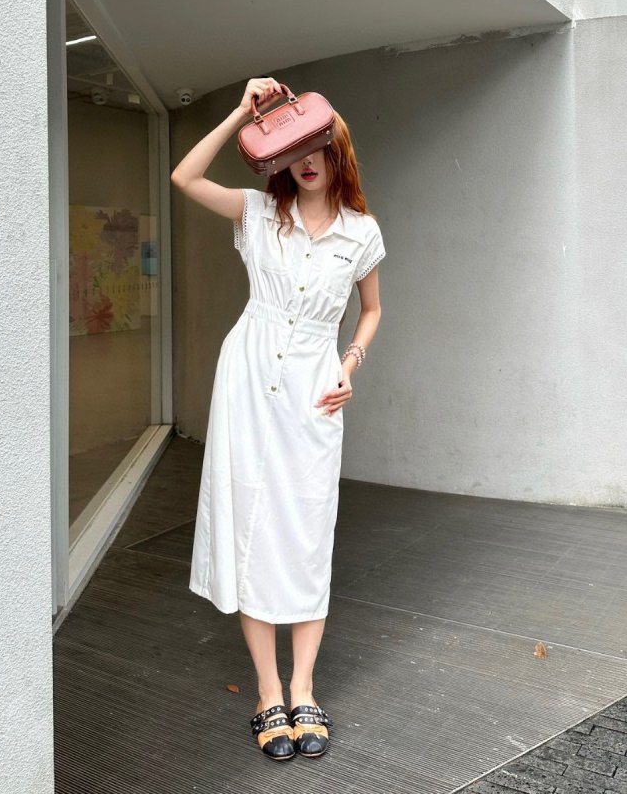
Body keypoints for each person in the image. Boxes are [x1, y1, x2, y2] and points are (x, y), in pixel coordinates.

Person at [170, 76, 386, 761]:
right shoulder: (257, 213)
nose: (305, 160)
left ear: (336, 150)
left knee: (307, 533)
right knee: (252, 532)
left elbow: (372, 309)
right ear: (278, 157)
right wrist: (241, 112)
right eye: (292, 149)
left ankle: (304, 687)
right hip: (247, 380)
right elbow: (183, 177)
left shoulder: (361, 233)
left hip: (314, 389)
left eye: (316, 146)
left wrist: (350, 364)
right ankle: (269, 692)